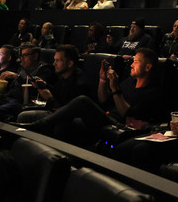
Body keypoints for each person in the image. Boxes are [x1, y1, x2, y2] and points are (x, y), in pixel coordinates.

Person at [18, 48, 163, 144]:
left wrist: (115, 89)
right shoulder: (129, 82)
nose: (131, 64)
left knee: (82, 101)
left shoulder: (152, 92)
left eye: (136, 62)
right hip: (106, 116)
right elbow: (103, 99)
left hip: (120, 126)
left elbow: (127, 114)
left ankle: (39, 126)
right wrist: (102, 81)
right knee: (63, 125)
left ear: (148, 67)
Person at [0, 44, 55, 122]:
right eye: (21, 56)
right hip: (8, 98)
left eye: (25, 55)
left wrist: (17, 77)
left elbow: (37, 87)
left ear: (35, 56)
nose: (22, 59)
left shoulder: (44, 70)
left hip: (21, 102)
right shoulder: (22, 69)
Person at [15, 45, 90, 124]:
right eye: (54, 60)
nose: (54, 64)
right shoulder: (62, 76)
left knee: (23, 117)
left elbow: (65, 110)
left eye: (58, 61)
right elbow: (58, 94)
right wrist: (44, 85)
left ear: (70, 63)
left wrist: (49, 98)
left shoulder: (79, 84)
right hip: (54, 111)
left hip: (66, 118)